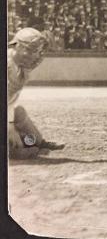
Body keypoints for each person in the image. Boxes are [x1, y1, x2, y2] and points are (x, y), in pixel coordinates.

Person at [8, 27, 65, 159]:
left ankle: (37, 142)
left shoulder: (18, 63)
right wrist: (9, 126)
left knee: (19, 112)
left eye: (37, 51)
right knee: (20, 147)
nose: (35, 55)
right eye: (32, 50)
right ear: (19, 46)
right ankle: (15, 149)